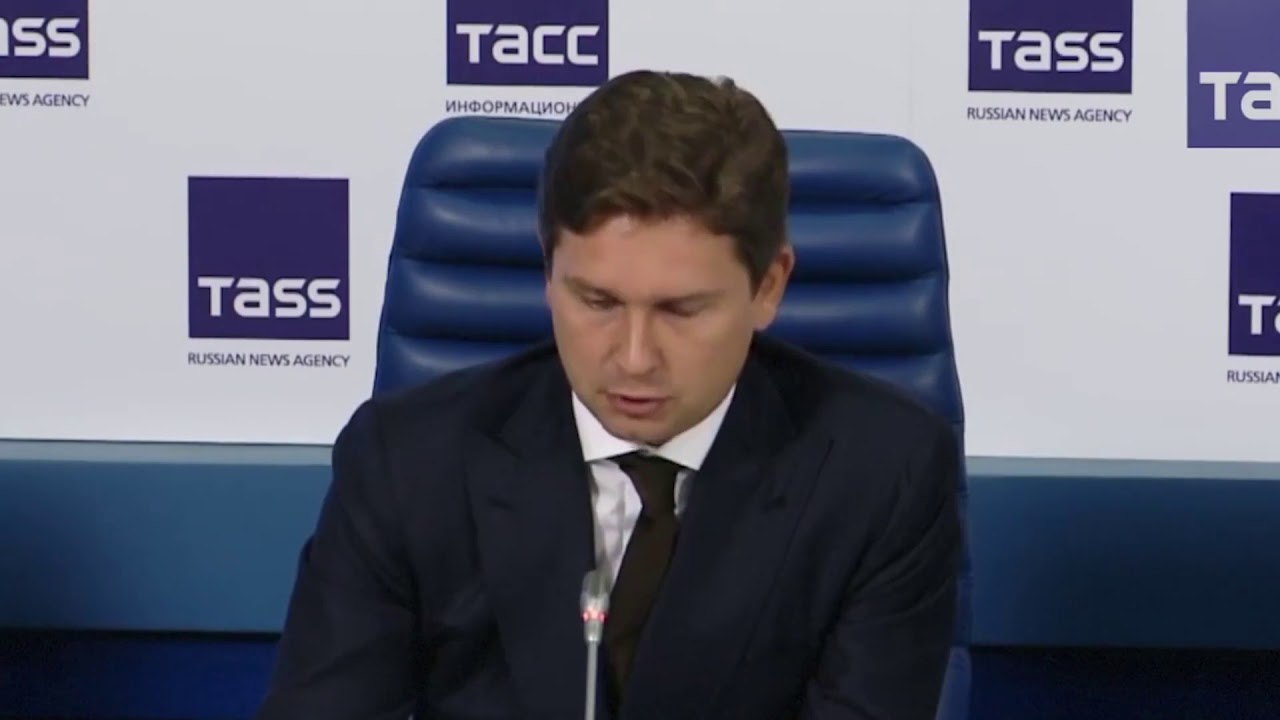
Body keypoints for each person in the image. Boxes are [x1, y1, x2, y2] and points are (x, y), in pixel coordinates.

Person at [256, 70, 963, 720]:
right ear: (548, 272)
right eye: (597, 301)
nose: (633, 358)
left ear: (769, 286)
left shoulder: (881, 475)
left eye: (681, 310)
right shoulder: (406, 463)